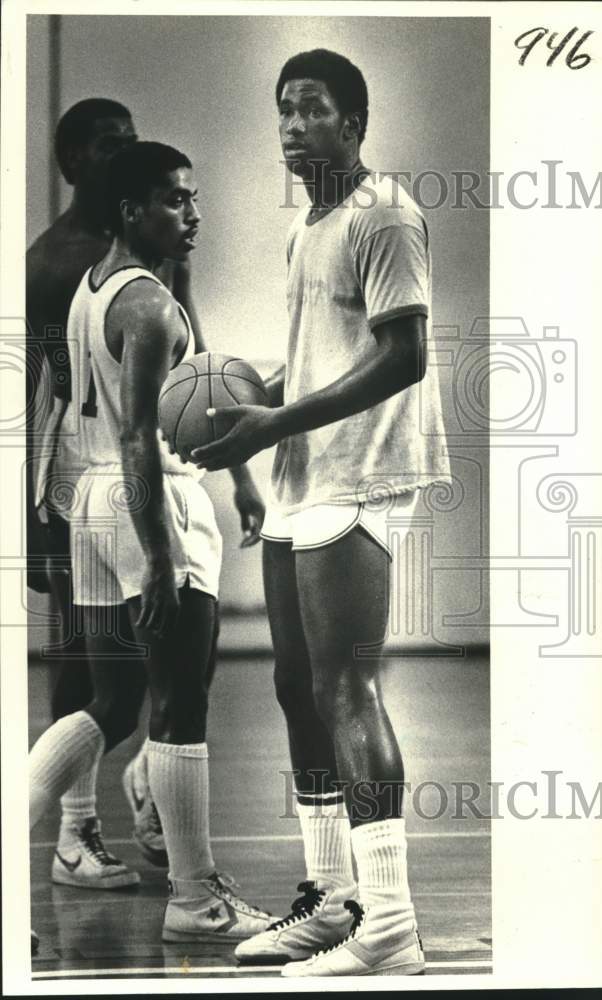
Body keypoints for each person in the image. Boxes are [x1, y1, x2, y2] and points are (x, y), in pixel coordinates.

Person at [189, 49, 451, 976]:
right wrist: (256, 400)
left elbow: (405, 356)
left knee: (348, 689)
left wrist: (276, 419)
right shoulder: (309, 226)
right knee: (296, 690)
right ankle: (336, 901)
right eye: (283, 113)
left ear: (355, 122)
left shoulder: (386, 214)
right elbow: (323, 354)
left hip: (363, 475)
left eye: (311, 110)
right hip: (304, 475)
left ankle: (390, 928)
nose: (292, 128)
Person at [28, 140, 275, 944]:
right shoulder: (151, 305)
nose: (193, 213)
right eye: (176, 200)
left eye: (194, 197)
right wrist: (162, 552)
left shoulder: (91, 286)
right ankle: (196, 900)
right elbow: (142, 436)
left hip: (88, 502)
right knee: (180, 702)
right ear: (131, 210)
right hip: (149, 501)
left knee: (111, 702)